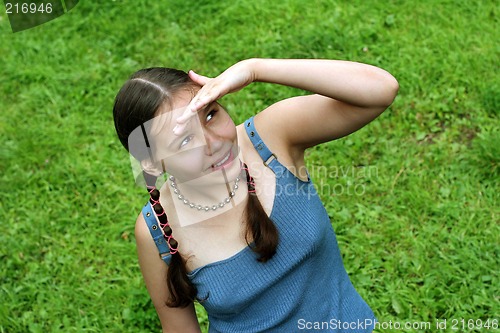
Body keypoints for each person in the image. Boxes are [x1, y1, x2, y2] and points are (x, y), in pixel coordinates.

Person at [113, 58, 399, 333]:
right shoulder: (156, 230)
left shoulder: (269, 139)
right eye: (186, 140)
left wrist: (254, 68)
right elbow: (179, 328)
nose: (215, 143)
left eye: (210, 114)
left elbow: (380, 90)